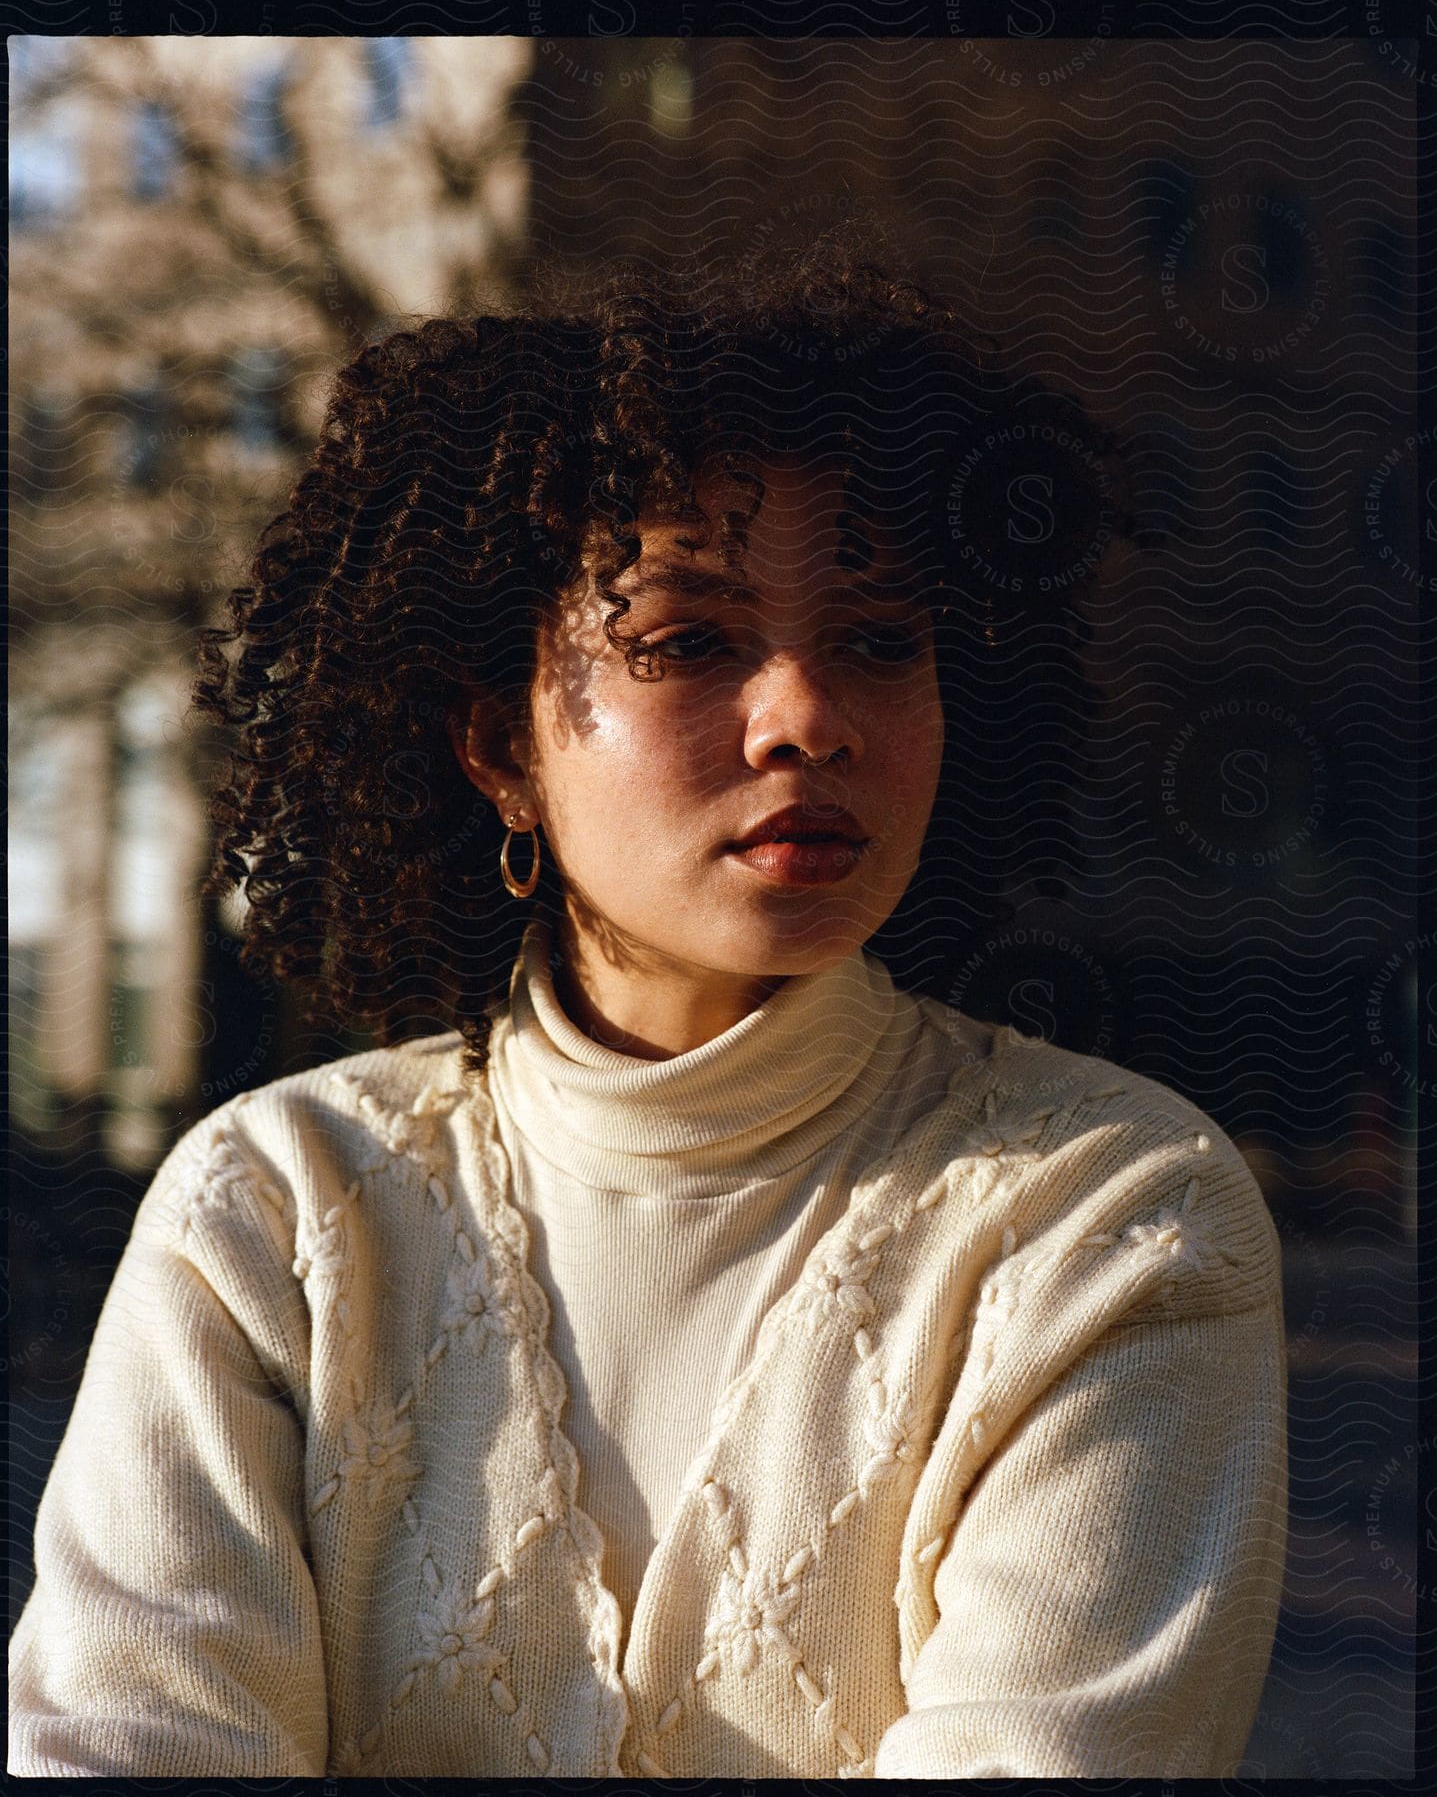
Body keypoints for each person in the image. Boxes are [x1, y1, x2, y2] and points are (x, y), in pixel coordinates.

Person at [8, 240, 1288, 1778]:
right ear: (498, 746)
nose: (808, 714)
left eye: (883, 641)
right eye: (687, 641)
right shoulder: (274, 1210)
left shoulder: (1110, 1210)